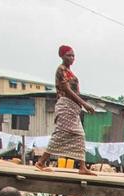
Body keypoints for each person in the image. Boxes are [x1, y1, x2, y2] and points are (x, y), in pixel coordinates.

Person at [36, 46, 96, 175]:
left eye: (73, 55)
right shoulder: (61, 70)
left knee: (80, 135)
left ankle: (82, 167)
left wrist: (80, 104)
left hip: (73, 107)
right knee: (61, 134)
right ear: (62, 56)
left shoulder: (70, 72)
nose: (72, 58)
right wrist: (84, 104)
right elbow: (67, 90)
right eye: (69, 55)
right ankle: (41, 162)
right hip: (65, 105)